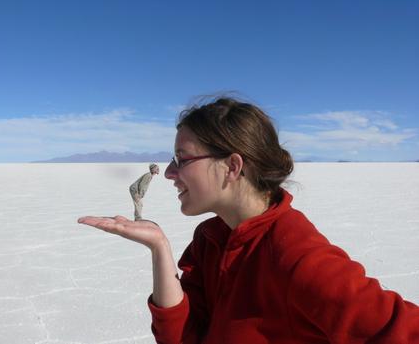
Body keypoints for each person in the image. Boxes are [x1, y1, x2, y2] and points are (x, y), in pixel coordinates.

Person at [78, 97, 419, 343]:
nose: (169, 173)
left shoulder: (297, 256)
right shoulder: (210, 239)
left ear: (232, 167)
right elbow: (182, 337)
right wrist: (159, 249)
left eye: (182, 159)